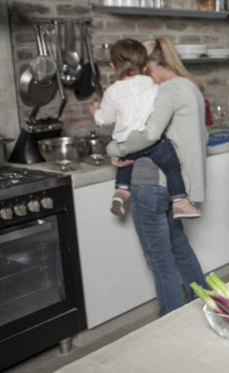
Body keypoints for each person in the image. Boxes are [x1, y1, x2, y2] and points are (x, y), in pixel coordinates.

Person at [106, 37, 209, 316]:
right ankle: (210, 308)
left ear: (150, 65)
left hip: (150, 183)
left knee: (161, 263)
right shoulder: (190, 87)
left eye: (144, 69)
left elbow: (148, 134)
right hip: (172, 187)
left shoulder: (168, 90)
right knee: (180, 249)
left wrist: (114, 148)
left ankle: (171, 329)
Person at [89, 39, 201, 219]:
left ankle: (120, 193)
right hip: (152, 144)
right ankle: (180, 201)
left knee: (125, 162)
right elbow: (154, 120)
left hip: (125, 141)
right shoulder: (153, 86)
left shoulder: (112, 92)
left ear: (112, 66)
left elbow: (105, 119)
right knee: (172, 165)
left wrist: (96, 113)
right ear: (144, 67)